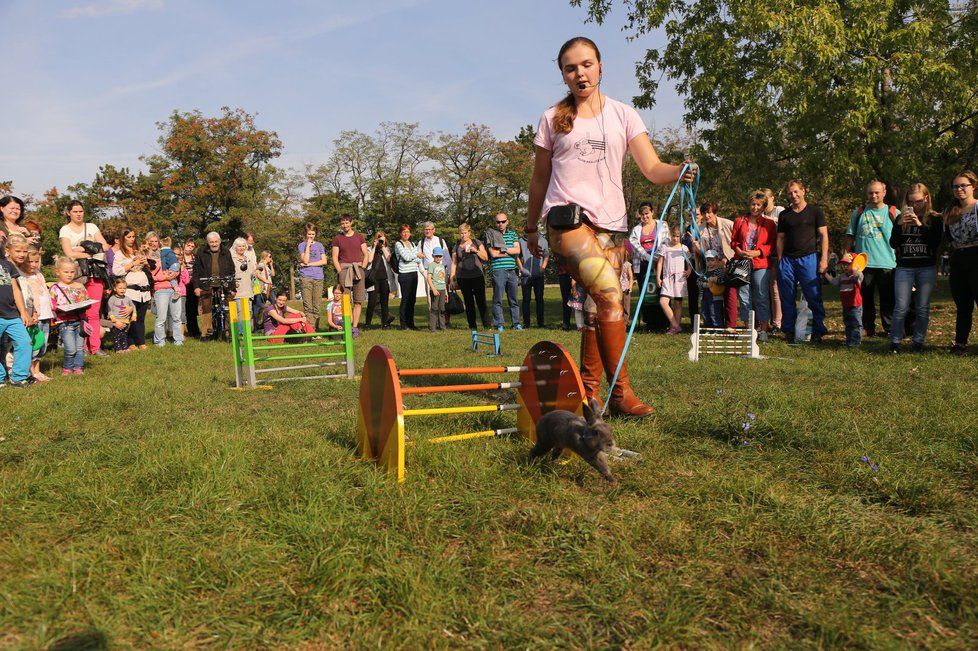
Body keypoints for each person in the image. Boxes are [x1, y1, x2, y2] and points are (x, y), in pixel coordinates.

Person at [525, 36, 695, 417]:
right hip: (566, 222)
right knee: (609, 296)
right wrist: (530, 227)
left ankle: (588, 395)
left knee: (596, 308)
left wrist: (678, 171)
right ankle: (621, 394)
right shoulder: (551, 118)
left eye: (586, 64)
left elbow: (652, 169)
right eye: (570, 68)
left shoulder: (624, 114)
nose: (579, 73)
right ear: (563, 76)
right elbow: (539, 178)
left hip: (613, 228)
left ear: (601, 66)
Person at [888, 184, 942, 353]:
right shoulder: (900, 218)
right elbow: (893, 243)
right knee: (901, 306)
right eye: (911, 202)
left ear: (926, 198)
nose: (915, 205)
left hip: (926, 267)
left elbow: (935, 243)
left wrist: (919, 224)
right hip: (905, 267)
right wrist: (899, 225)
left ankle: (918, 341)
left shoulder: (935, 218)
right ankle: (895, 342)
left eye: (918, 201)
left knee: (922, 306)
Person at [776, 179, 829, 343]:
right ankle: (789, 331)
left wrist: (824, 259)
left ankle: (818, 330)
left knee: (813, 295)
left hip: (808, 258)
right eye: (790, 193)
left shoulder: (815, 212)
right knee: (787, 296)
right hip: (787, 261)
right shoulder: (784, 214)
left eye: (796, 191)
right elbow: (780, 239)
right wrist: (780, 261)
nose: (793, 195)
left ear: (803, 191)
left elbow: (824, 236)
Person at [845, 180, 898, 337]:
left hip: (888, 263)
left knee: (887, 299)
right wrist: (846, 255)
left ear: (884, 193)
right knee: (865, 299)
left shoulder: (894, 212)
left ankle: (889, 328)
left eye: (877, 192)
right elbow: (849, 235)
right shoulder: (859, 212)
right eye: (870, 192)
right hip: (863, 264)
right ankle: (868, 327)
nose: (873, 195)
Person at [58, 200, 109, 356]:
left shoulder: (92, 227)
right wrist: (88, 248)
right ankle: (82, 347)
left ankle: (95, 347)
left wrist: (79, 248)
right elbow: (68, 253)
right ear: (68, 213)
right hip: (75, 274)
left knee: (93, 312)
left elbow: (105, 246)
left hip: (95, 272)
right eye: (75, 211)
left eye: (80, 211)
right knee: (79, 311)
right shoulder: (65, 230)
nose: (78, 214)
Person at [731, 191, 777, 340]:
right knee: (744, 297)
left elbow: (772, 244)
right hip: (742, 262)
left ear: (763, 206)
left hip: (760, 263)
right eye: (753, 204)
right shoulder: (739, 221)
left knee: (761, 295)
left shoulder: (769, 224)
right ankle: (749, 329)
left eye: (758, 205)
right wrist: (739, 250)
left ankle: (763, 329)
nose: (755, 207)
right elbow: (734, 241)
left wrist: (758, 252)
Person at [944, 171, 978, 356]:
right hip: (958, 259)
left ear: (973, 186)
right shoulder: (950, 211)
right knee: (963, 305)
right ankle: (960, 344)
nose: (959, 189)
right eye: (956, 186)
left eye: (963, 185)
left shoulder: (977, 207)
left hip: (976, 256)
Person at [695, 203, 738, 327]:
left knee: (730, 295)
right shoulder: (701, 228)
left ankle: (731, 326)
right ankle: (716, 324)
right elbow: (703, 251)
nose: (706, 215)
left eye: (709, 212)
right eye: (704, 213)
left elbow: (736, 241)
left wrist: (726, 258)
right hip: (712, 266)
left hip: (728, 263)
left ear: (715, 212)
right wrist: (697, 248)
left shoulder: (727, 223)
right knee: (714, 295)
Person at [629, 202, 669, 331]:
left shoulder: (662, 225)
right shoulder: (636, 229)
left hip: (660, 262)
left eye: (647, 213)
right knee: (646, 294)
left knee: (660, 291)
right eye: (642, 214)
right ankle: (649, 322)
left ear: (652, 212)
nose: (645, 216)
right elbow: (633, 243)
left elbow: (666, 241)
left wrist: (657, 258)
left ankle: (663, 321)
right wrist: (647, 258)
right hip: (643, 263)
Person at [0, 235, 33, 386]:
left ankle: (18, 377)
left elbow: (15, 289)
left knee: (25, 342)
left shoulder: (8, 265)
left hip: (12, 314)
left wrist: (23, 312)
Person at [191, 232, 235, 341]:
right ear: (208, 242)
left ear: (219, 241)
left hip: (224, 284)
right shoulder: (201, 251)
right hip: (206, 283)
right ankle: (206, 333)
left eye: (216, 241)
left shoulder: (226, 251)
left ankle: (228, 332)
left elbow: (231, 270)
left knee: (227, 307)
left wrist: (233, 287)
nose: (214, 244)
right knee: (206, 309)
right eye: (211, 242)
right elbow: (196, 270)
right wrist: (196, 287)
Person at [112, 228, 150, 350]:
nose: (132, 239)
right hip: (131, 290)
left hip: (144, 289)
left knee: (141, 318)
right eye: (129, 237)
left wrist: (144, 262)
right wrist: (132, 263)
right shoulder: (119, 254)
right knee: (131, 317)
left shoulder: (138, 251)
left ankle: (141, 342)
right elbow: (116, 271)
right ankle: (131, 342)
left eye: (133, 236)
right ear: (123, 238)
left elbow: (146, 268)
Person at [331, 214, 369, 335]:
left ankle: (355, 327)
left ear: (351, 223)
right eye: (343, 223)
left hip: (358, 270)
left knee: (358, 301)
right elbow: (334, 256)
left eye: (347, 222)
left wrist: (363, 267)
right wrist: (339, 271)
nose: (345, 225)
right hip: (344, 270)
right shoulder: (337, 238)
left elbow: (366, 253)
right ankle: (347, 326)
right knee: (345, 300)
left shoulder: (359, 237)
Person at [50, 257, 88, 376]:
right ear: (58, 272)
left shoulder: (80, 286)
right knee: (70, 348)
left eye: (72, 272)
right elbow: (52, 304)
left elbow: (86, 300)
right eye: (66, 272)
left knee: (80, 348)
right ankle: (67, 367)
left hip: (80, 320)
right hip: (65, 322)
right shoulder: (55, 287)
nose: (69, 275)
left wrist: (84, 303)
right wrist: (59, 308)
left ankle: (78, 367)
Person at [450, 223, 490, 331]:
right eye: (461, 233)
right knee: (468, 303)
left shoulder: (477, 242)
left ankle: (487, 325)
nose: (463, 235)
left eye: (465, 233)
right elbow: (453, 263)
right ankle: (472, 326)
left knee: (481, 301)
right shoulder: (456, 246)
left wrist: (475, 251)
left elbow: (486, 257)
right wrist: (452, 279)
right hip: (463, 278)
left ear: (469, 232)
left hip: (477, 276)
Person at [486, 212, 522, 331]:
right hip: (498, 270)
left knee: (514, 299)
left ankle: (516, 323)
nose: (500, 224)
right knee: (498, 299)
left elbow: (517, 250)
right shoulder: (491, 234)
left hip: (512, 270)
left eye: (503, 221)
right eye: (498, 222)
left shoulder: (512, 234)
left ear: (507, 221)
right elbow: (493, 254)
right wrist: (508, 251)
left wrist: (503, 249)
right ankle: (499, 324)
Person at [23, 247, 53, 381]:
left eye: (36, 261)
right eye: (30, 261)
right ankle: (31, 372)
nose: (34, 265)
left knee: (43, 345)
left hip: (46, 315)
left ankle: (37, 370)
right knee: (34, 344)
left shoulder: (39, 274)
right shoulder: (23, 277)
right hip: (35, 316)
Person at [655, 224, 691, 333]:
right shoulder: (665, 246)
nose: (675, 238)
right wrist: (658, 277)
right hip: (667, 278)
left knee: (678, 304)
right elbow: (660, 262)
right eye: (674, 236)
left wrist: (689, 270)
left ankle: (674, 327)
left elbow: (689, 262)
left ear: (682, 236)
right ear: (670, 235)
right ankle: (676, 325)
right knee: (663, 301)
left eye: (678, 236)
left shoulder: (684, 248)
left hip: (680, 279)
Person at [823, 253, 864, 347]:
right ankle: (849, 341)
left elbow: (859, 277)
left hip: (855, 305)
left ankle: (855, 343)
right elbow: (833, 281)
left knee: (856, 324)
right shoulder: (842, 277)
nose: (845, 267)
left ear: (854, 264)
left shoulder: (855, 276)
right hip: (846, 305)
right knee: (848, 323)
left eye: (848, 264)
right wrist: (825, 273)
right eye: (843, 264)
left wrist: (855, 270)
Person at [418, 221, 452, 327]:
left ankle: (445, 322)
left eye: (430, 229)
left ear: (434, 230)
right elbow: (419, 259)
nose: (428, 231)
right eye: (426, 229)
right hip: (429, 273)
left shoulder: (440, 241)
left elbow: (447, 257)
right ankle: (433, 323)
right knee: (431, 299)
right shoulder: (421, 242)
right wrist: (424, 272)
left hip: (441, 273)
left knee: (443, 298)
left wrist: (450, 273)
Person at [151, 237, 184, 347]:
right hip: (161, 290)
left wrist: (176, 272)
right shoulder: (150, 257)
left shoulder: (166, 254)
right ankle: (159, 341)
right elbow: (151, 276)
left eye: (156, 241)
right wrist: (165, 277)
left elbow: (175, 267)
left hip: (174, 288)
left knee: (176, 317)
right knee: (161, 318)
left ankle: (178, 339)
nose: (154, 244)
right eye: (152, 242)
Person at [760, 188, 784, 330]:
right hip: (763, 254)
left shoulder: (779, 211)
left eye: (766, 199)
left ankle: (777, 322)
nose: (764, 202)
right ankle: (764, 321)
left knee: (775, 289)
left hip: (777, 254)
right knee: (763, 289)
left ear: (772, 198)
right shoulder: (760, 213)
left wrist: (768, 220)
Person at [298, 223, 327, 330]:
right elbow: (305, 260)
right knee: (308, 306)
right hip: (306, 277)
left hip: (318, 277)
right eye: (309, 234)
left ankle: (315, 328)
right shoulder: (301, 245)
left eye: (313, 234)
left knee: (317, 306)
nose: (311, 236)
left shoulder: (320, 245)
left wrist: (310, 264)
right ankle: (310, 331)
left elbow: (324, 261)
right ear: (305, 234)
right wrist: (308, 246)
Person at [364, 231, 396, 329]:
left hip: (385, 279)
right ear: (375, 239)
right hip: (373, 280)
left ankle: (385, 323)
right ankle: (368, 324)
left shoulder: (386, 249)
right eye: (378, 238)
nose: (380, 240)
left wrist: (382, 247)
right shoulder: (369, 249)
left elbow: (389, 259)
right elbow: (369, 260)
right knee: (372, 302)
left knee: (384, 302)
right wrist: (374, 247)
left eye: (382, 238)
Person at [518, 230, 549, 328]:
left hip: (538, 275)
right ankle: (526, 324)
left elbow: (546, 255)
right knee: (526, 300)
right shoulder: (521, 241)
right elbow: (517, 256)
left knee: (539, 299)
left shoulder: (543, 240)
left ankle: (541, 323)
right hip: (525, 275)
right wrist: (522, 269)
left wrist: (543, 268)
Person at [394, 224, 422, 330]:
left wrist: (413, 256)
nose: (406, 234)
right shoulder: (398, 244)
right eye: (404, 231)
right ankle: (403, 324)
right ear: (400, 233)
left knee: (412, 299)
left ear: (410, 233)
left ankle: (411, 323)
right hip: (404, 274)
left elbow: (418, 260)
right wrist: (416, 255)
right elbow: (406, 257)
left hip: (414, 273)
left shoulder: (412, 243)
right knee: (405, 299)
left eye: (407, 231)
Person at [107, 278, 136, 353]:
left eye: (124, 288)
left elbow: (133, 307)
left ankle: (125, 348)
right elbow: (109, 311)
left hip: (126, 321)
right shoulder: (112, 299)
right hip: (117, 322)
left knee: (124, 335)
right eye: (120, 288)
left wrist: (134, 315)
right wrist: (114, 320)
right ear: (115, 288)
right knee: (117, 336)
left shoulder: (128, 299)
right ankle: (118, 349)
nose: (122, 290)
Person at [180, 239, 200, 338]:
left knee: (192, 309)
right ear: (184, 245)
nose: (190, 248)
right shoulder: (179, 257)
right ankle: (179, 331)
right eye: (188, 245)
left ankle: (194, 330)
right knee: (181, 309)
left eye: (192, 246)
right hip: (181, 286)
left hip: (192, 285)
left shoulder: (195, 258)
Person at [425, 247, 448, 331]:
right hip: (435, 290)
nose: (438, 258)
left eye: (440, 256)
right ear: (433, 256)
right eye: (436, 256)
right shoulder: (431, 265)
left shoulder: (442, 266)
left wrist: (446, 292)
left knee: (442, 309)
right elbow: (429, 278)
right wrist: (433, 289)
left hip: (442, 289)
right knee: (434, 308)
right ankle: (432, 327)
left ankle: (442, 326)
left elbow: (443, 280)